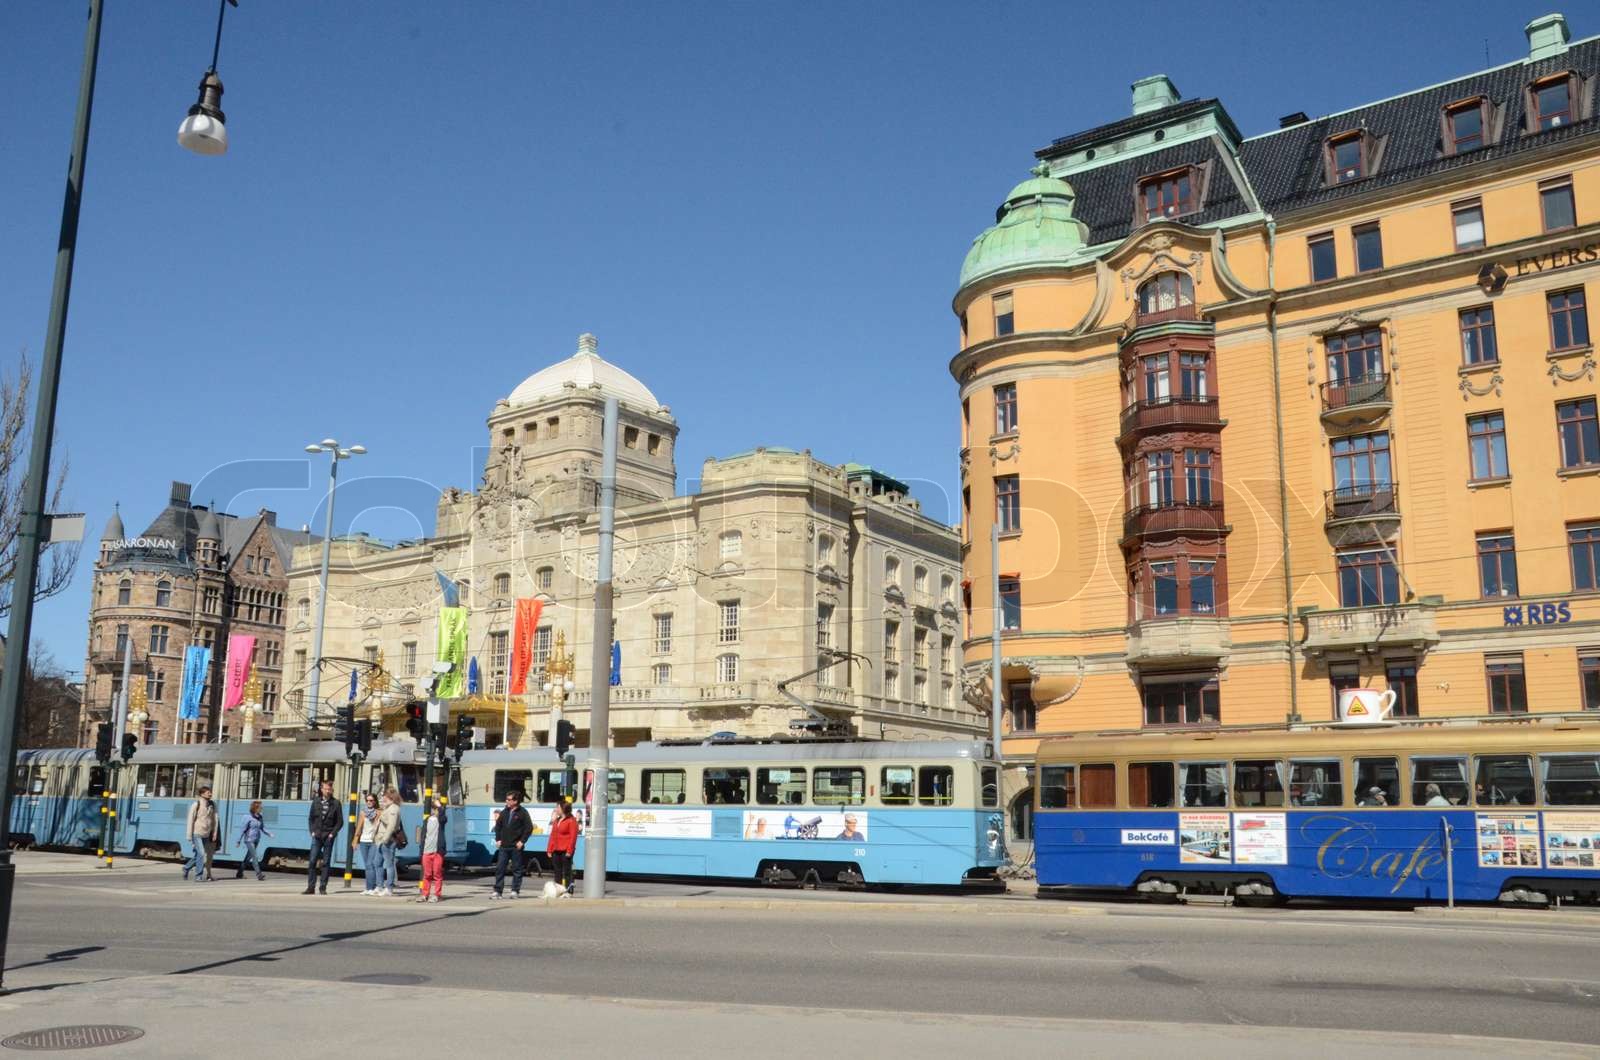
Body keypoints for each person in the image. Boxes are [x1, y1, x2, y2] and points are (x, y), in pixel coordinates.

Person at [490, 789, 532, 899]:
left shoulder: (522, 812)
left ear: (516, 801)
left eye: (509, 799)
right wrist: (498, 839)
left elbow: (529, 828)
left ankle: (515, 891)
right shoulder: (504, 812)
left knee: (517, 869)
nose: (507, 801)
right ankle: (498, 891)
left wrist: (522, 841)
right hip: (504, 846)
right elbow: (498, 826)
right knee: (500, 868)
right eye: (507, 799)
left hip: (515, 847)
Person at [305, 778, 343, 896]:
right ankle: (311, 887)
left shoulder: (336, 803)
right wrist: (312, 831)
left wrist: (333, 834)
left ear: (332, 790)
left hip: (328, 836)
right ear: (321, 789)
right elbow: (311, 818)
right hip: (316, 835)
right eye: (325, 789)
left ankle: (323, 887)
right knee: (312, 861)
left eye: (329, 789)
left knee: (326, 863)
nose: (327, 791)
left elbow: (340, 822)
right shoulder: (316, 801)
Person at [183, 785, 220, 882]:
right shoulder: (196, 804)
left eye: (210, 792)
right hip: (197, 833)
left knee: (198, 855)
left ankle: (186, 868)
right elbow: (190, 820)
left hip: (207, 833)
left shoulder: (212, 804)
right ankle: (198, 876)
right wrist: (189, 835)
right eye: (208, 792)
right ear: (202, 794)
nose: (210, 794)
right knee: (202, 854)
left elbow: (215, 819)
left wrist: (215, 832)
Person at [373, 787, 402, 897]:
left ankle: (389, 888)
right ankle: (379, 886)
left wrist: (385, 839)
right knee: (377, 862)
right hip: (381, 840)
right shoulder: (388, 807)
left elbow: (392, 825)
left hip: (387, 840)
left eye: (385, 796)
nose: (383, 798)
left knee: (389, 864)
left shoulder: (394, 809)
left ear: (391, 797)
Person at [234, 800, 273, 881]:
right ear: (255, 808)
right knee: (255, 856)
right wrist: (238, 841)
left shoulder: (260, 817)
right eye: (260, 808)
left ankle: (239, 873)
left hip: (256, 839)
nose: (261, 809)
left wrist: (269, 833)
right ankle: (259, 874)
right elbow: (242, 830)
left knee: (248, 858)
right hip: (249, 840)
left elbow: (262, 828)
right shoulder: (247, 817)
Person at [417, 800, 447, 903]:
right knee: (427, 875)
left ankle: (437, 895)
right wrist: (421, 851)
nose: (435, 810)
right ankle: (425, 894)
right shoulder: (426, 820)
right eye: (433, 808)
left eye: (436, 808)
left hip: (437, 851)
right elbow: (423, 837)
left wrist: (440, 807)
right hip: (426, 851)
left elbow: (443, 817)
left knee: (437, 874)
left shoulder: (441, 820)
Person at [547, 798, 579, 892]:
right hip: (556, 850)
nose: (556, 809)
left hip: (566, 850)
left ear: (563, 809)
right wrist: (549, 849)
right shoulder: (557, 820)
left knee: (567, 872)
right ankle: (559, 890)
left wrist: (569, 850)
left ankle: (569, 890)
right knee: (557, 872)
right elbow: (553, 835)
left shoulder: (571, 821)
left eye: (557, 807)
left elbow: (573, 837)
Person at [355, 793, 381, 895]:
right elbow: (359, 826)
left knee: (371, 864)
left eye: (371, 800)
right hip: (363, 841)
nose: (369, 802)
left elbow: (378, 826)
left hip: (373, 841)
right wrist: (355, 840)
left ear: (375, 801)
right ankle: (371, 887)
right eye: (367, 800)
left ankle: (370, 888)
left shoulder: (379, 812)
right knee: (367, 865)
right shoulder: (363, 812)